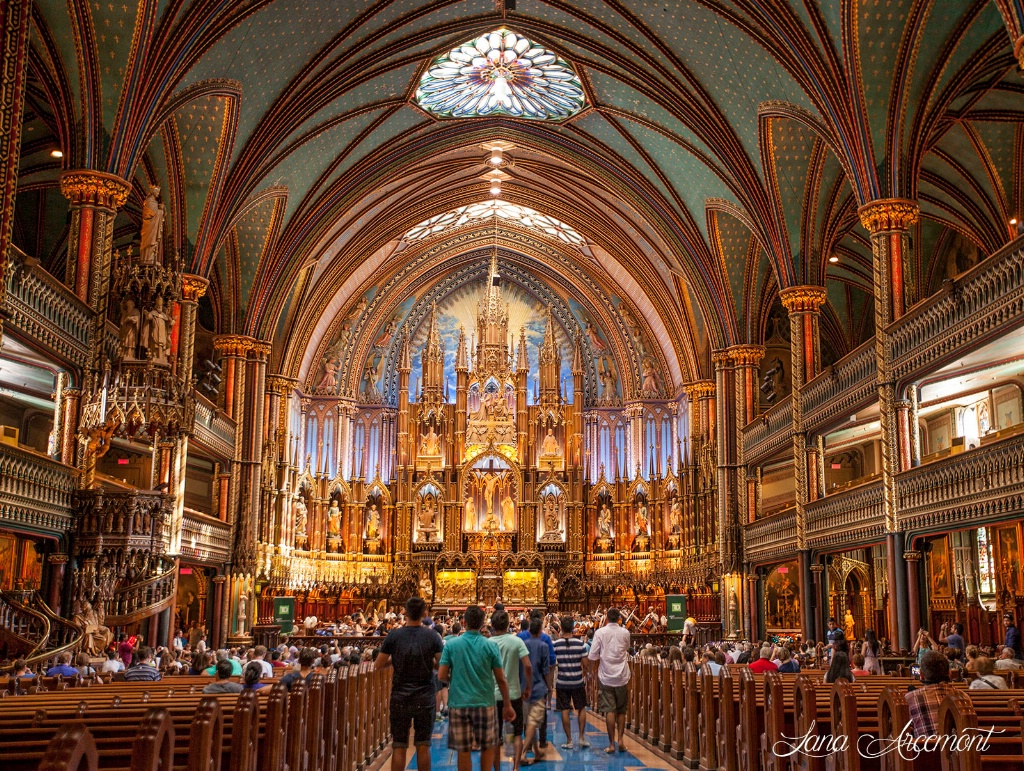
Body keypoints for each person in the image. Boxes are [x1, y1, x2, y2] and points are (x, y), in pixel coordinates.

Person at [437, 605, 515, 771]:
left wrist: (456, 679)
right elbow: (501, 679)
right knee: (487, 746)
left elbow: (441, 675)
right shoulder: (490, 646)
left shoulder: (452, 645)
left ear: (464, 622)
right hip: (485, 702)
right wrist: (507, 705)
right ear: (483, 623)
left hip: (458, 703)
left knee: (463, 750)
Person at [375, 597, 444, 771]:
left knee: (399, 744)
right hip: (425, 696)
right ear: (424, 613)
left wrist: (395, 659)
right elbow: (442, 666)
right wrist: (430, 663)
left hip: (400, 696)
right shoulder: (432, 636)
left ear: (405, 612)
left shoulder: (394, 635)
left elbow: (378, 664)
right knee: (423, 745)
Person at [486, 609, 530, 771]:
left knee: (495, 737)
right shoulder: (516, 641)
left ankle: (497, 769)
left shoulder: (488, 643)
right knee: (517, 733)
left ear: (492, 625)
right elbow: (528, 665)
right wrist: (528, 686)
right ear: (508, 624)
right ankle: (516, 767)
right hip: (514, 693)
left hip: (492, 696)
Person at [588, 607, 631, 754]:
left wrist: (591, 672)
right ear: (619, 618)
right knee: (621, 710)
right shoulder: (625, 632)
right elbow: (627, 647)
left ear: (606, 618)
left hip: (606, 676)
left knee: (610, 710)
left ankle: (611, 744)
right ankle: (621, 741)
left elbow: (592, 655)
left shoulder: (600, 632)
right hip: (622, 676)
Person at [553, 616, 590, 750]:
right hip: (577, 681)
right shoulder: (580, 644)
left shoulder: (556, 645)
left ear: (561, 628)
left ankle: (569, 740)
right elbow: (586, 664)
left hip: (562, 681)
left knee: (564, 710)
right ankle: (581, 737)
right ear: (573, 627)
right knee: (581, 708)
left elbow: (553, 663)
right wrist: (583, 674)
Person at [521, 617, 553, 766]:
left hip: (524, 687)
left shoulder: (523, 644)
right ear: (540, 630)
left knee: (529, 721)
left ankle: (537, 752)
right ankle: (522, 753)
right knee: (533, 722)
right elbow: (546, 669)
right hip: (539, 687)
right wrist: (549, 686)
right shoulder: (543, 646)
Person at [905, 650, 953, 737]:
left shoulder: (911, 698)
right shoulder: (963, 697)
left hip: (926, 749)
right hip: (961, 749)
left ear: (922, 675)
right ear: (949, 673)